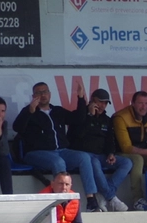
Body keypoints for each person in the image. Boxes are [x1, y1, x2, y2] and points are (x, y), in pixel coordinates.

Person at [13, 81, 106, 209]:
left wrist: (80, 98)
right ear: (34, 96)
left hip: (61, 150)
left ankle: (91, 199)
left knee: (84, 157)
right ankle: (63, 201)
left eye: (45, 92)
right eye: (39, 93)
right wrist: (29, 111)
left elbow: (78, 119)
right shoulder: (29, 111)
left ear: (50, 94)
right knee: (58, 162)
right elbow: (17, 127)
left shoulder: (57, 111)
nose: (43, 95)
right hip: (36, 153)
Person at [66, 89, 133, 212]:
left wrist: (110, 153)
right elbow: (76, 136)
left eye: (105, 103)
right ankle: (111, 197)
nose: (103, 106)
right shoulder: (80, 115)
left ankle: (103, 194)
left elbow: (109, 140)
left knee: (127, 162)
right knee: (94, 163)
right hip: (84, 155)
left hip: (101, 155)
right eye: (100, 102)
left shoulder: (106, 120)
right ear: (92, 101)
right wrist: (90, 116)